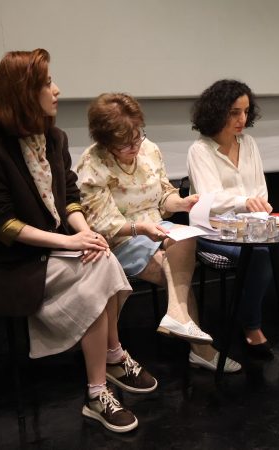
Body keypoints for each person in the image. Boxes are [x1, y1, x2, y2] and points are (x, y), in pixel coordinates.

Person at [0, 49, 157, 434]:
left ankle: (100, 382)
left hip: (54, 251)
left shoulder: (53, 138)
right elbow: (3, 225)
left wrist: (83, 233)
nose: (57, 90)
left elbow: (69, 196)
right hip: (14, 264)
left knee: (101, 257)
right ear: (24, 92)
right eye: (48, 83)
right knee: (98, 274)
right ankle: (106, 372)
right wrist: (69, 242)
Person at [77, 93, 241, 373]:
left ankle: (177, 316)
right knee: (174, 269)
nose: (134, 146)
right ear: (105, 141)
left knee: (185, 235)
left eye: (137, 136)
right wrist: (141, 228)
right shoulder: (92, 164)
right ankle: (198, 347)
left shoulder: (149, 149)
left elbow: (163, 197)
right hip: (119, 239)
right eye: (124, 143)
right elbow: (101, 224)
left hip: (156, 228)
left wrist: (181, 203)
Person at [187, 79, 279, 360]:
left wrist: (254, 206)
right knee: (260, 254)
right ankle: (250, 325)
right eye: (235, 112)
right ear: (217, 111)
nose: (242, 119)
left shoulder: (248, 144)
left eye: (246, 112)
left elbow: (260, 191)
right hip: (212, 230)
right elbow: (210, 199)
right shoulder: (199, 150)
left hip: (251, 225)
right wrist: (244, 202)